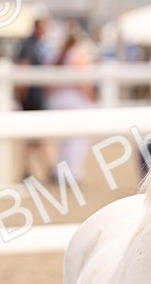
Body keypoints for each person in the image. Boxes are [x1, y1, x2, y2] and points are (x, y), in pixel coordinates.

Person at [49, 23, 96, 183]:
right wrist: (90, 97)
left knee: (64, 141)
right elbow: (84, 82)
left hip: (58, 100)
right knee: (78, 140)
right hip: (75, 100)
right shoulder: (78, 55)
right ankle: (73, 173)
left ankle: (60, 172)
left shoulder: (57, 56)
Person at [16, 16, 54, 182]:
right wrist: (23, 98)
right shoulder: (29, 46)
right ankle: (47, 169)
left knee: (34, 137)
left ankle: (30, 169)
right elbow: (23, 73)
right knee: (36, 135)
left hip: (35, 96)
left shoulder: (34, 45)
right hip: (32, 97)